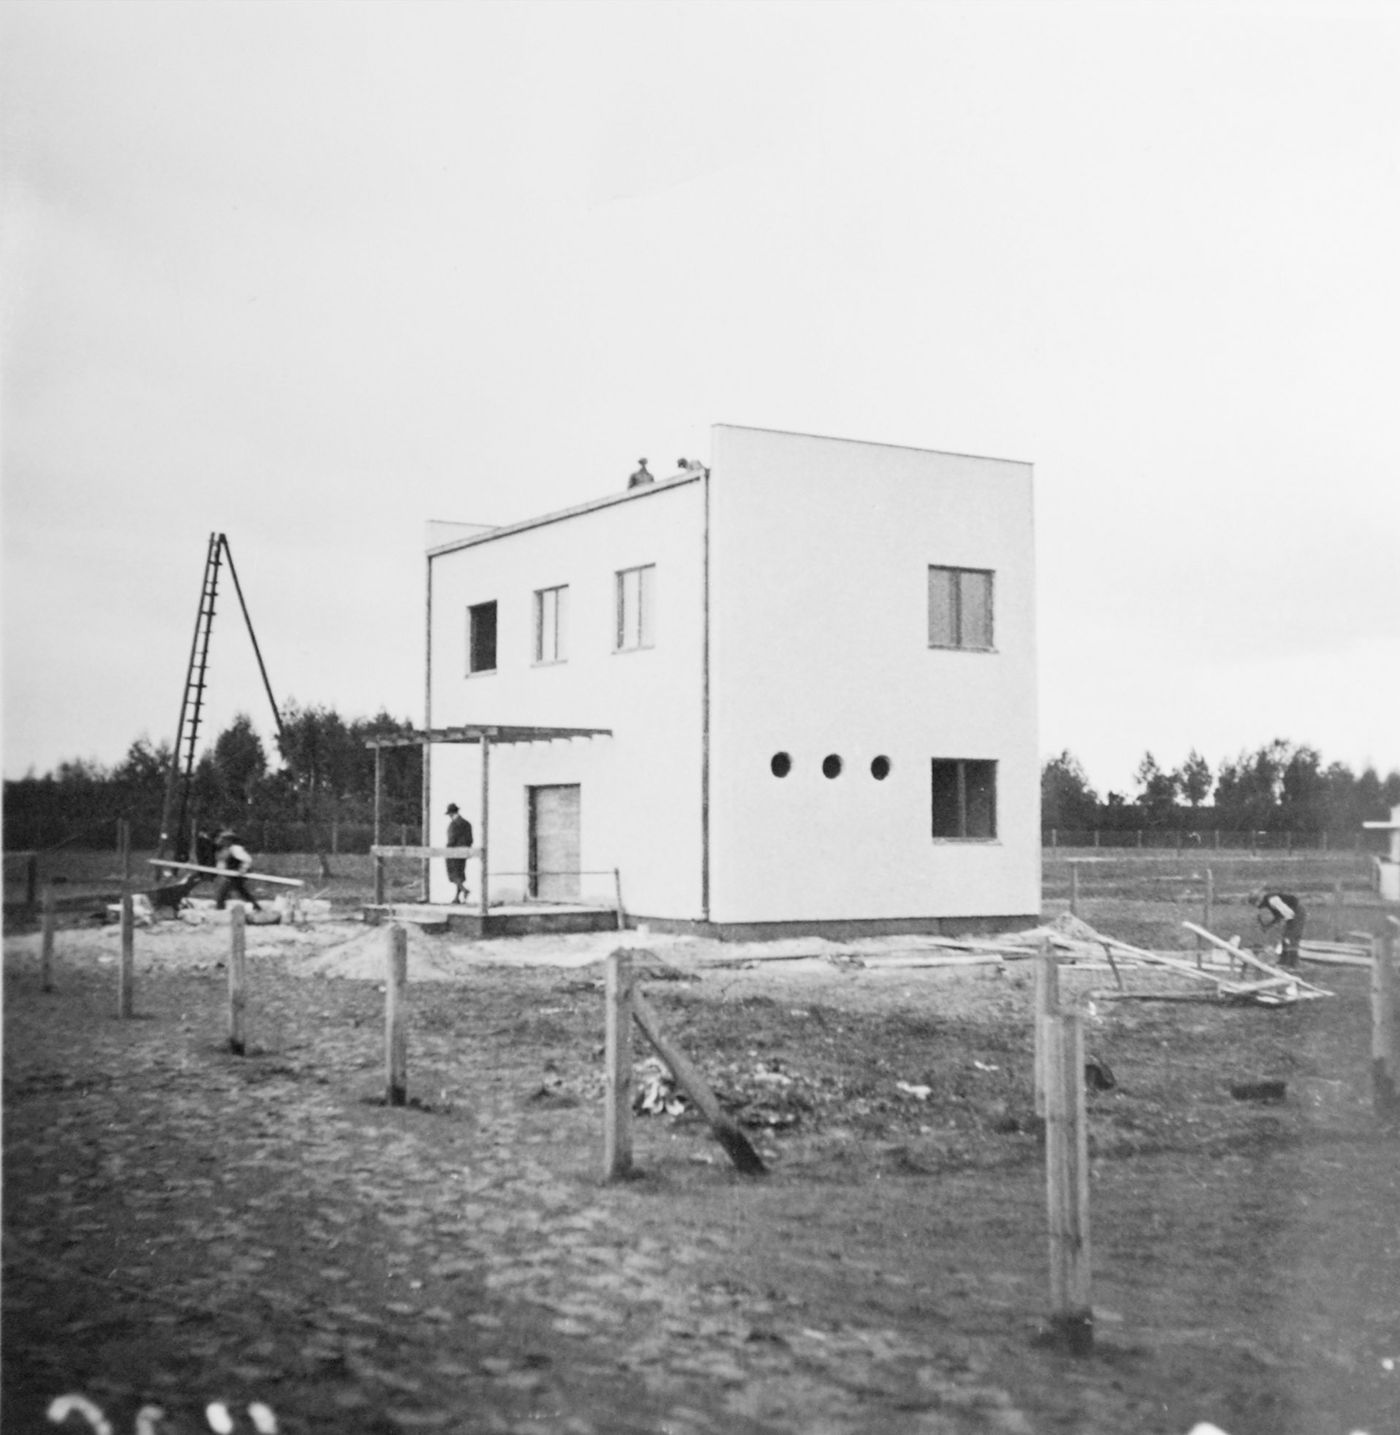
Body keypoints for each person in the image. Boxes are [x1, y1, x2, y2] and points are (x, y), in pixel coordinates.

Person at [1250, 889, 1305, 969]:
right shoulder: (1268, 903)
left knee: (1291, 937)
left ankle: (1293, 963)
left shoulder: (1272, 900)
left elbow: (1288, 914)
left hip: (1297, 911)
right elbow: (1278, 915)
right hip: (1291, 913)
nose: (1258, 907)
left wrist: (1284, 927)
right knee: (1285, 937)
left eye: (1256, 904)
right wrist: (1268, 926)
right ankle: (1284, 960)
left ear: (1258, 900)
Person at [215, 830, 263, 912]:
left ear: (230, 840)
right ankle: (256, 907)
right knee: (242, 892)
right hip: (231, 875)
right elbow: (223, 862)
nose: (222, 841)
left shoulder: (236, 849)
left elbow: (247, 859)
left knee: (222, 892)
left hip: (236, 875)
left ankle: (220, 908)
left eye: (225, 839)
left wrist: (243, 868)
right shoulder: (226, 849)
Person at [444, 803, 474, 904]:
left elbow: (451, 839)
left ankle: (464, 890)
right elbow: (470, 839)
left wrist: (448, 850)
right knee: (460, 873)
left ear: (451, 814)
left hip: (454, 852)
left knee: (453, 874)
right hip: (464, 852)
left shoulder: (453, 825)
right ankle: (457, 897)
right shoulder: (467, 823)